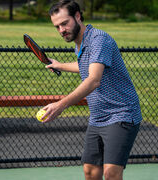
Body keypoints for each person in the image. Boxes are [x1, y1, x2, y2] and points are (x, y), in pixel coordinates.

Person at [40, 0, 142, 179]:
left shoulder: (98, 39)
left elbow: (94, 79)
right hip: (98, 116)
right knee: (90, 171)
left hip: (121, 113)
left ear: (77, 16)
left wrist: (61, 105)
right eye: (57, 26)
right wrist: (61, 65)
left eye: (65, 23)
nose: (62, 30)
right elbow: (88, 66)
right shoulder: (79, 43)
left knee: (111, 173)